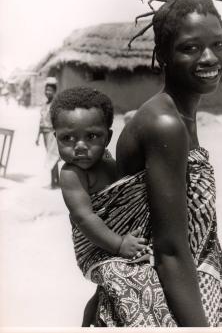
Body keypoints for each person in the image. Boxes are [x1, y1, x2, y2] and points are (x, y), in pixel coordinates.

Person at [82, 0, 222, 327]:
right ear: (163, 55)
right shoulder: (164, 124)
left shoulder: (177, 117)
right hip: (155, 305)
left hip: (167, 294)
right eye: (190, 48)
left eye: (218, 44)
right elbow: (169, 253)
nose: (210, 57)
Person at [50, 86, 148, 326]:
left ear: (108, 137)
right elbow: (83, 217)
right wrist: (119, 244)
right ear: (56, 138)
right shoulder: (72, 173)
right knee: (118, 279)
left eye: (91, 136)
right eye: (67, 138)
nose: (80, 146)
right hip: (95, 246)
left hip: (116, 238)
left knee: (104, 292)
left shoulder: (106, 160)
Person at [35, 77, 60, 188]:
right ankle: (57, 181)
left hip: (53, 133)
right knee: (51, 156)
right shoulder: (44, 105)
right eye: (46, 90)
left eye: (50, 90)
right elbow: (41, 122)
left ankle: (53, 183)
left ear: (54, 91)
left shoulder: (56, 104)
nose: (47, 92)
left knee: (52, 156)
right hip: (45, 134)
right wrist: (37, 136)